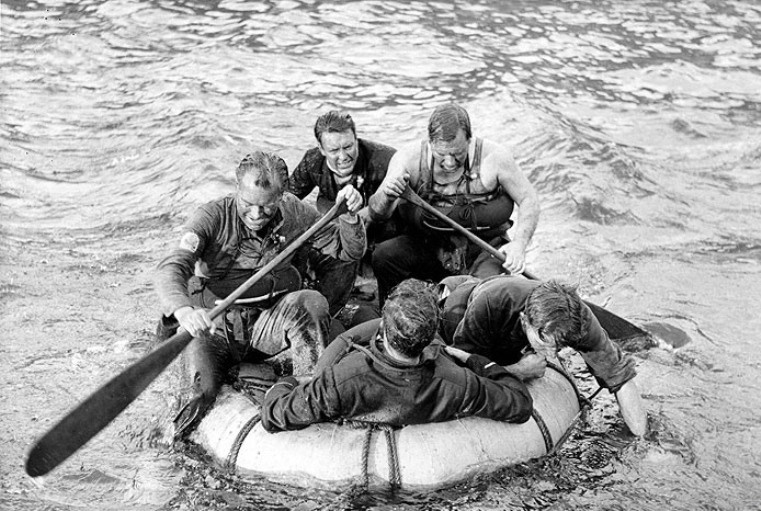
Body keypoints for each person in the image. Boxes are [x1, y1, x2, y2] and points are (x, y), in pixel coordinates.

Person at [154, 150, 366, 438]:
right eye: (248, 204)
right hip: (214, 329)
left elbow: (348, 251)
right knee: (199, 395)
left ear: (281, 197)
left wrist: (351, 217)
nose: (256, 215)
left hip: (266, 324)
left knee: (311, 302)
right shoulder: (211, 217)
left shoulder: (296, 212)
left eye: (267, 206)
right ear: (237, 190)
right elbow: (172, 267)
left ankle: (307, 395)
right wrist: (184, 311)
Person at [260, 279, 533, 431]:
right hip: (423, 390)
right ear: (430, 338)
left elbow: (273, 415)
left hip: (359, 389)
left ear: (384, 328)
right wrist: (475, 361)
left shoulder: (340, 380)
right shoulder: (459, 383)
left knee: (348, 321)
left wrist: (292, 383)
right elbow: (519, 404)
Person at [367, 102, 540, 306]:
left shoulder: (494, 158)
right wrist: (387, 196)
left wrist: (519, 245)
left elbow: (529, 199)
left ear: (469, 140)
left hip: (483, 250)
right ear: (430, 142)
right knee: (384, 256)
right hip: (428, 247)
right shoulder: (407, 159)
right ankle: (393, 317)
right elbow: (376, 213)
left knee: (484, 297)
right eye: (441, 154)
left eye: (458, 154)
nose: (449, 163)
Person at [437, 274, 648, 436]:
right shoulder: (492, 304)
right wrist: (518, 371)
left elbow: (620, 377)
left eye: (559, 347)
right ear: (524, 321)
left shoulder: (580, 321)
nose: (551, 354)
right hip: (461, 309)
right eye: (545, 344)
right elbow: (459, 373)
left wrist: (641, 440)